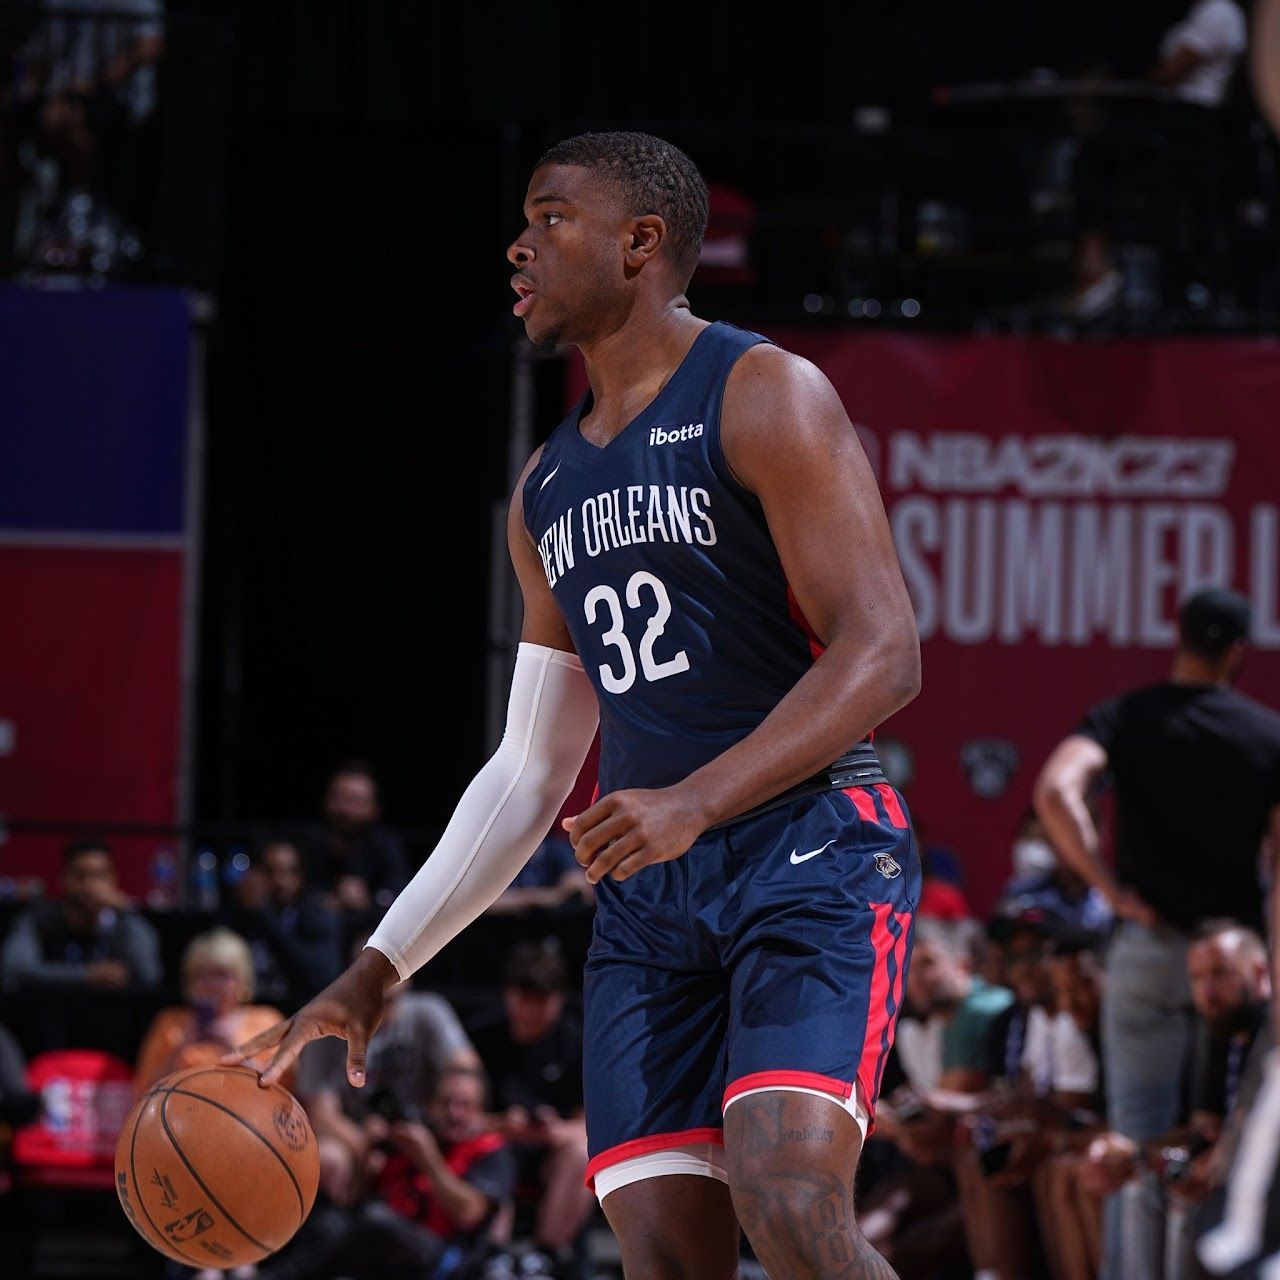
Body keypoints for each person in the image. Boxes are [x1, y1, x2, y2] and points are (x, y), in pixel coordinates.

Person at [229, 129, 922, 1279]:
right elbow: (529, 770)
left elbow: (882, 654)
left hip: (809, 851)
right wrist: (374, 969)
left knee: (789, 1196)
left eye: (549, 217)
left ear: (640, 243)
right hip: (650, 904)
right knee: (660, 1255)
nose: (518, 243)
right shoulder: (545, 483)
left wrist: (691, 801)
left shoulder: (761, 391)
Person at [1036, 586, 1280, 1279]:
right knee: (1215, 1144)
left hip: (1146, 951)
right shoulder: (1266, 735)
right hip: (1235, 966)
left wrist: (1109, 888)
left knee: (1132, 1145)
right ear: (1238, 652)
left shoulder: (1127, 717)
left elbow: (1056, 791)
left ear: (1178, 640)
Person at [1080, 920, 1269, 1280]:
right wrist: (1131, 1151)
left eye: (1221, 974)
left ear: (1260, 973)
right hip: (1228, 1176)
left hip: (1261, 1191)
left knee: (1188, 1201)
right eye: (1196, 979)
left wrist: (1143, 1156)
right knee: (1140, 1185)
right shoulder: (1219, 1031)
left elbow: (1245, 1144)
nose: (1207, 992)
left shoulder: (1268, 1039)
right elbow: (1203, 1133)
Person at [296, 944, 479, 1210]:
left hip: (422, 1129)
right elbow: (322, 1116)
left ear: (408, 980)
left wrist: (435, 1125)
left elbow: (466, 1073)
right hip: (357, 1135)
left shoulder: (427, 1012)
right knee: (328, 1158)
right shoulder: (324, 1026)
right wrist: (365, 1145)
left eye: (390, 1000)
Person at [468, 942, 591, 1261]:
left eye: (543, 1001)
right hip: (497, 1142)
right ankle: (490, 1256)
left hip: (550, 1149)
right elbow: (458, 1115)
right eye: (525, 999)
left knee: (581, 1154)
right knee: (491, 1152)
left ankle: (545, 1255)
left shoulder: (575, 1041)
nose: (533, 1011)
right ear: (509, 995)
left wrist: (556, 1131)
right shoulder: (480, 1038)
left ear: (559, 999)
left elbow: (589, 1123)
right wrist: (502, 1125)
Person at [134, 928, 287, 1092]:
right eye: (200, 975)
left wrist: (234, 1052)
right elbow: (143, 1090)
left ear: (241, 977)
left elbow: (284, 1091)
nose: (209, 984)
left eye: (219, 974)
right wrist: (181, 1048)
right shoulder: (171, 1022)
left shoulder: (265, 1021)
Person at [0, 839, 161, 994]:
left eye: (99, 875)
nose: (89, 885)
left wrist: (127, 911)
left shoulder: (124, 924)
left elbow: (149, 976)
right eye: (80, 875)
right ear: (63, 878)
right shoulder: (38, 921)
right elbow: (15, 969)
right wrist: (86, 975)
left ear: (113, 879)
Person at [221, 838, 342, 1007]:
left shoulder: (317, 913)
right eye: (271, 872)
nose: (280, 881)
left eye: (290, 872)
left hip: (297, 1013)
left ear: (301, 877)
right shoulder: (241, 915)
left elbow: (318, 977)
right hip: (249, 1012)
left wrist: (265, 916)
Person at [298, 762, 409, 920]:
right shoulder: (309, 843)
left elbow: (400, 897)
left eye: (356, 801)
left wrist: (369, 901)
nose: (345, 809)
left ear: (374, 809)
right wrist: (324, 900)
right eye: (339, 798)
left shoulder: (386, 846)